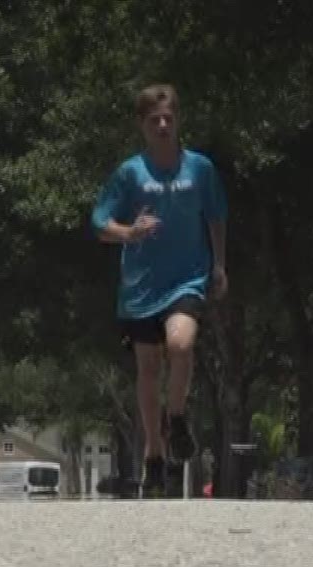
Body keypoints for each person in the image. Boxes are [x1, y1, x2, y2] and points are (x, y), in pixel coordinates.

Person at [89, 83, 228, 497]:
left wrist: (219, 264)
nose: (164, 125)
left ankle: (178, 416)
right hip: (140, 289)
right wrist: (129, 232)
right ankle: (153, 452)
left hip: (187, 278)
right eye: (155, 120)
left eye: (169, 118)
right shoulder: (130, 173)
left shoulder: (200, 169)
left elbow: (216, 215)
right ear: (142, 126)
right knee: (148, 368)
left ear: (178, 119)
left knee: (182, 344)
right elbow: (100, 224)